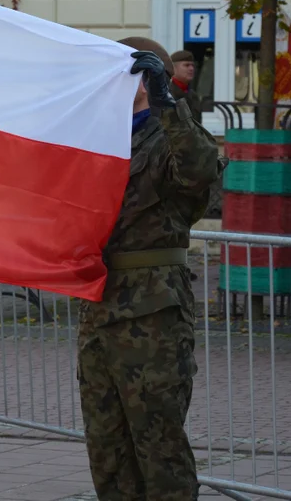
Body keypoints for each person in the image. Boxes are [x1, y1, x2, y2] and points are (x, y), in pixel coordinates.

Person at [77, 37, 223, 501]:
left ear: (143, 80)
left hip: (151, 312)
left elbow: (200, 173)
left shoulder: (167, 136)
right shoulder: (101, 138)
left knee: (158, 450)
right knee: (108, 449)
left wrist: (168, 101)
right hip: (99, 310)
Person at [169, 50, 203, 124]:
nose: (191, 69)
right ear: (173, 68)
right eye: (186, 65)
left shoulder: (193, 96)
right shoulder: (167, 95)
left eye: (192, 65)